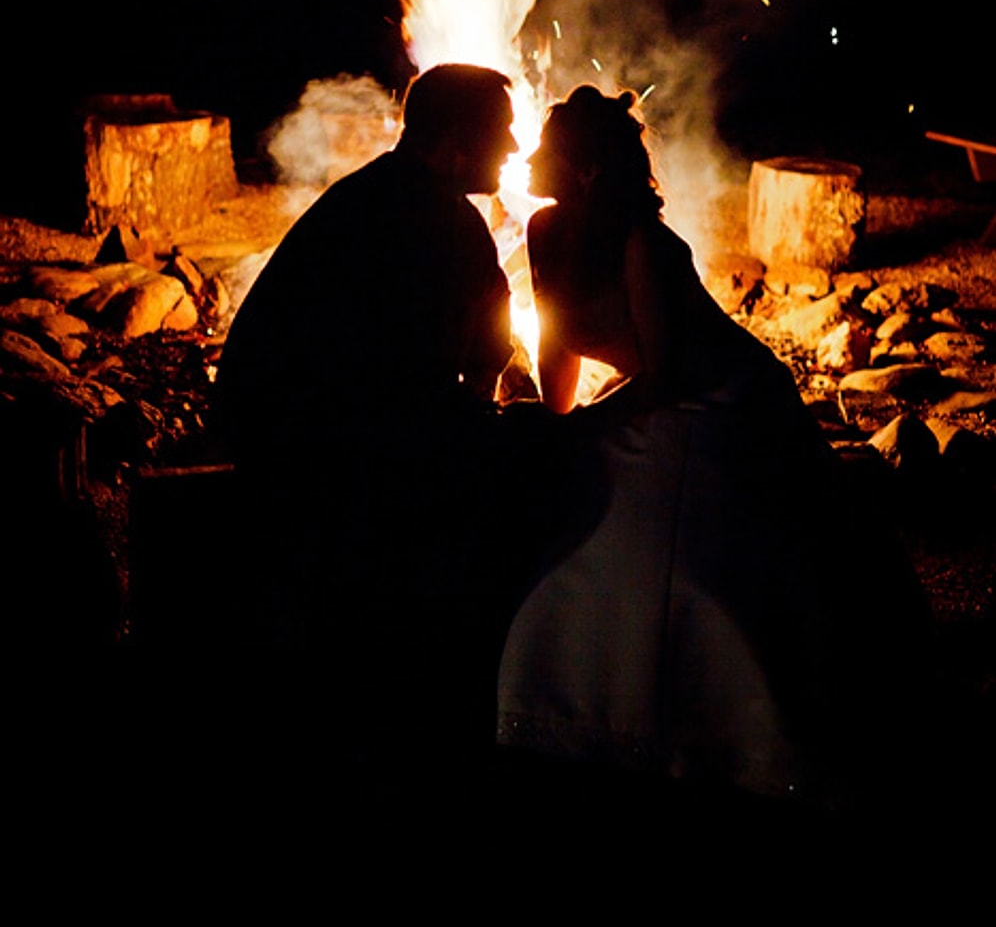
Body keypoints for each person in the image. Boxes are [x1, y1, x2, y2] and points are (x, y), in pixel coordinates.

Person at [497, 85, 934, 812]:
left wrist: (586, 432)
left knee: (671, 535)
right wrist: (557, 423)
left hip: (716, 397)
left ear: (588, 171)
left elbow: (666, 372)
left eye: (546, 149)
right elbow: (556, 340)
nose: (528, 157)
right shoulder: (542, 229)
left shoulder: (645, 243)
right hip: (646, 397)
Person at [213, 63, 568, 780]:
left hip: (277, 435)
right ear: (456, 140)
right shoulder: (444, 223)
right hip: (326, 464)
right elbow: (481, 369)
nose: (513, 149)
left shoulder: (365, 195)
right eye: (502, 134)